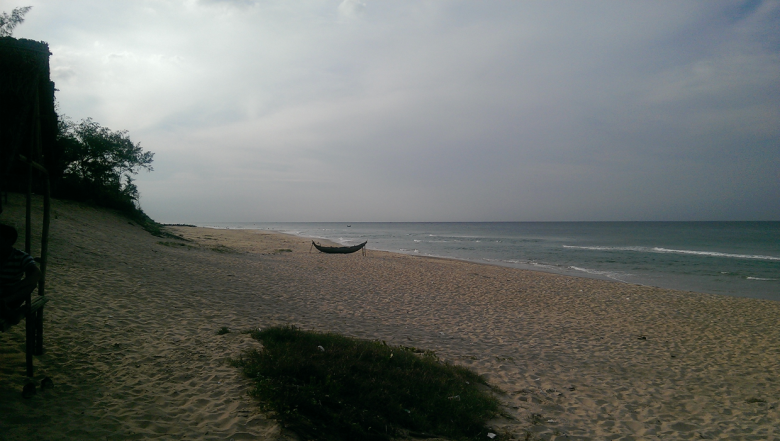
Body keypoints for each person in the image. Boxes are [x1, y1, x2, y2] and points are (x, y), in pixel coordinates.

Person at [0, 223, 41, 316]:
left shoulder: (20, 257)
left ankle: (6, 306)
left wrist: (15, 287)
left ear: (8, 241)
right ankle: (12, 314)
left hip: (10, 297)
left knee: (31, 284)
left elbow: (37, 274)